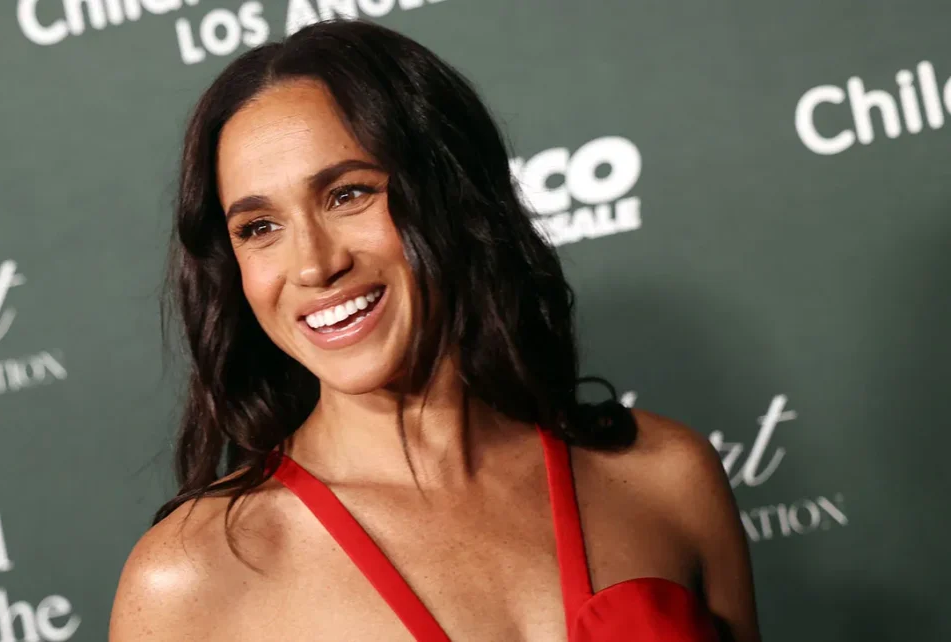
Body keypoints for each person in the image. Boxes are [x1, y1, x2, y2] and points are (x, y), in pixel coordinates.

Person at [109, 18, 761, 642]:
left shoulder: (666, 478)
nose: (313, 265)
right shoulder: (190, 579)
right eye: (259, 227)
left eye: (348, 194)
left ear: (452, 192)